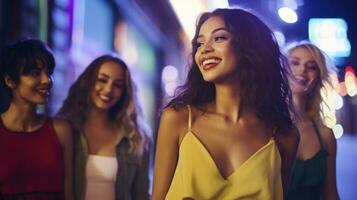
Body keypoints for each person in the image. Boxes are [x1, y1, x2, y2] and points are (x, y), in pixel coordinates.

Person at [152, 8, 300, 200]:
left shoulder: (284, 136)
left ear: (250, 46)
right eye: (199, 43)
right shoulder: (178, 119)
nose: (204, 50)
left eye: (219, 38)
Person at [57, 55, 151, 200]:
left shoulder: (136, 137)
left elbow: (141, 194)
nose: (108, 89)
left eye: (118, 85)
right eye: (102, 80)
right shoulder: (65, 129)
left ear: (125, 92)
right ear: (88, 82)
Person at [0, 39, 73, 199]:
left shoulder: (60, 130)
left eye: (48, 73)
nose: (46, 80)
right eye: (35, 73)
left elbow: (68, 193)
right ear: (10, 81)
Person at [284, 41, 340, 200]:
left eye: (312, 66)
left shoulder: (325, 135)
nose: (302, 70)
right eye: (295, 63)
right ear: (282, 70)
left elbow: (331, 193)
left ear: (319, 77)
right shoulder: (265, 127)